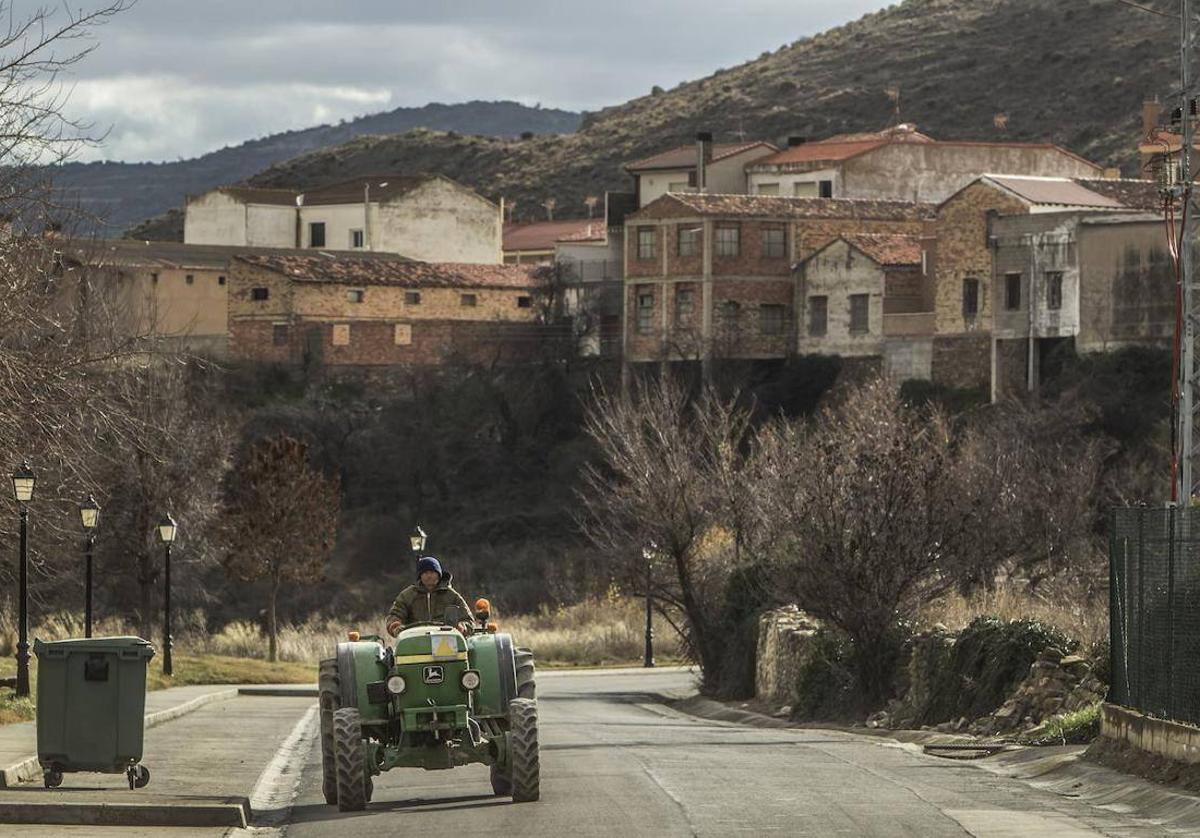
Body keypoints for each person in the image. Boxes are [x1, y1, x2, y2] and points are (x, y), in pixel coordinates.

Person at [386, 556, 472, 637]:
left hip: (446, 640)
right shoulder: (407, 595)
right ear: (420, 576)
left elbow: (468, 620)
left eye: (432, 572)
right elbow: (395, 615)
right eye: (425, 573)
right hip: (414, 639)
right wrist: (396, 626)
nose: (429, 576)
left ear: (439, 574)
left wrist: (462, 626)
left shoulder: (452, 596)